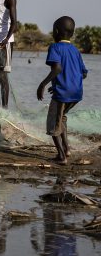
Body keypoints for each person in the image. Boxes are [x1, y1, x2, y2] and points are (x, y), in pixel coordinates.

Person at [37, 16, 88, 165]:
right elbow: (83, 73)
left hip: (62, 94)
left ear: (57, 31)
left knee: (53, 123)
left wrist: (42, 84)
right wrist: (64, 83)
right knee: (62, 118)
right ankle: (66, 149)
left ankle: (61, 156)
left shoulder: (55, 47)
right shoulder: (75, 50)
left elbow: (57, 68)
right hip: (76, 94)